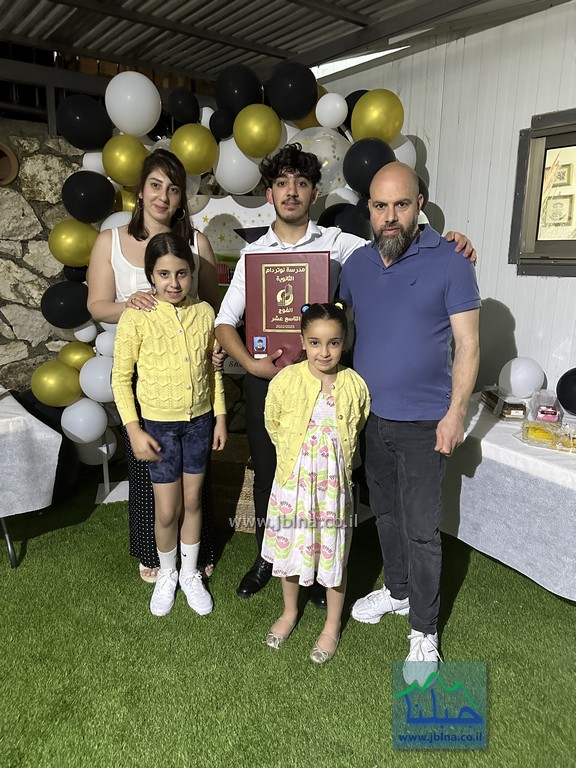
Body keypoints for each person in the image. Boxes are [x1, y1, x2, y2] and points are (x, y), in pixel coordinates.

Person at [214, 142, 476, 604]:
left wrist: (450, 239)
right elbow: (223, 322)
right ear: (270, 194)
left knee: (329, 479)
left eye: (300, 183)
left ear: (314, 193)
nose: (291, 192)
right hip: (272, 385)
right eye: (281, 184)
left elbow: (395, 238)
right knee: (273, 475)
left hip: (328, 388)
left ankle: (322, 569)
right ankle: (266, 559)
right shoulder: (253, 255)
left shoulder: (341, 245)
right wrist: (251, 364)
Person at [339, 161, 481, 684]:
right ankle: (398, 592)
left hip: (426, 425)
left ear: (419, 204)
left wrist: (456, 413)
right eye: (381, 206)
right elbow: (332, 326)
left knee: (422, 531)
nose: (390, 216)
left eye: (401, 204)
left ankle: (424, 629)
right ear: (369, 209)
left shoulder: (452, 261)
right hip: (371, 419)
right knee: (386, 515)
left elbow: (468, 344)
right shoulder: (355, 264)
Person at [87, 149, 222, 583]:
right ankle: (155, 554)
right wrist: (132, 305)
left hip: (191, 379)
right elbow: (97, 305)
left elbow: (211, 311)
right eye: (156, 185)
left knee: (193, 478)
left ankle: (196, 554)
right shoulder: (110, 241)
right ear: (140, 191)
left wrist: (214, 350)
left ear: (182, 197)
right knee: (152, 474)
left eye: (173, 188)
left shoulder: (198, 243)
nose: (164, 196)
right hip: (141, 375)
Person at [111, 232, 227, 616]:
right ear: (150, 275)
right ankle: (167, 573)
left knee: (193, 501)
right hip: (158, 428)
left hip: (199, 424)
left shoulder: (205, 313)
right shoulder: (136, 316)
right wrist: (134, 430)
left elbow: (213, 370)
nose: (173, 283)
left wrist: (220, 417)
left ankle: (190, 574)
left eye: (181, 273)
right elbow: (120, 378)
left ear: (192, 273)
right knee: (166, 511)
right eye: (163, 274)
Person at [262, 302, 370, 664]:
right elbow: (273, 421)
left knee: (333, 551)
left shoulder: (354, 384)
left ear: (344, 342)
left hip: (332, 489)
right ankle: (290, 611)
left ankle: (332, 623)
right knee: (292, 547)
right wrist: (295, 460)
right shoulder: (286, 380)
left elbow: (358, 422)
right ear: (302, 341)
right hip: (294, 483)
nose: (324, 352)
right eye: (315, 343)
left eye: (333, 343)